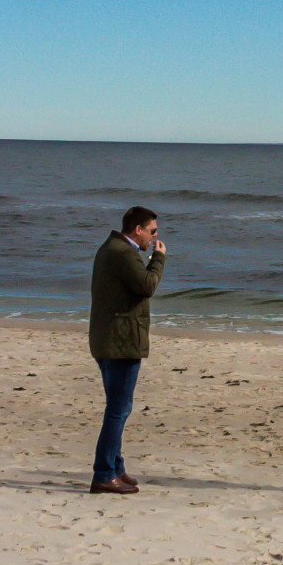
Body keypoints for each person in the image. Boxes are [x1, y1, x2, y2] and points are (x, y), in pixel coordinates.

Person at [88, 205, 167, 497]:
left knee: (117, 407)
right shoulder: (122, 253)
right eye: (152, 231)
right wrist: (157, 259)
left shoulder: (112, 248)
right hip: (119, 342)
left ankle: (115, 467)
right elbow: (147, 286)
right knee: (118, 410)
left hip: (107, 338)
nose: (154, 236)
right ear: (138, 230)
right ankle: (104, 474)